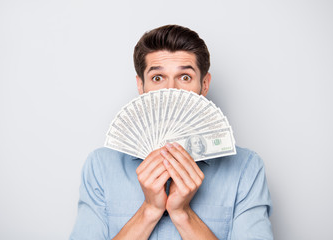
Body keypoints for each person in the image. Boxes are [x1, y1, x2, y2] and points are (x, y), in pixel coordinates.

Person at [70, 25, 273, 240]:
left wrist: (183, 213)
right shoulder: (101, 166)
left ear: (204, 85)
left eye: (184, 77)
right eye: (158, 78)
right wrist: (149, 211)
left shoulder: (246, 168)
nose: (171, 90)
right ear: (141, 86)